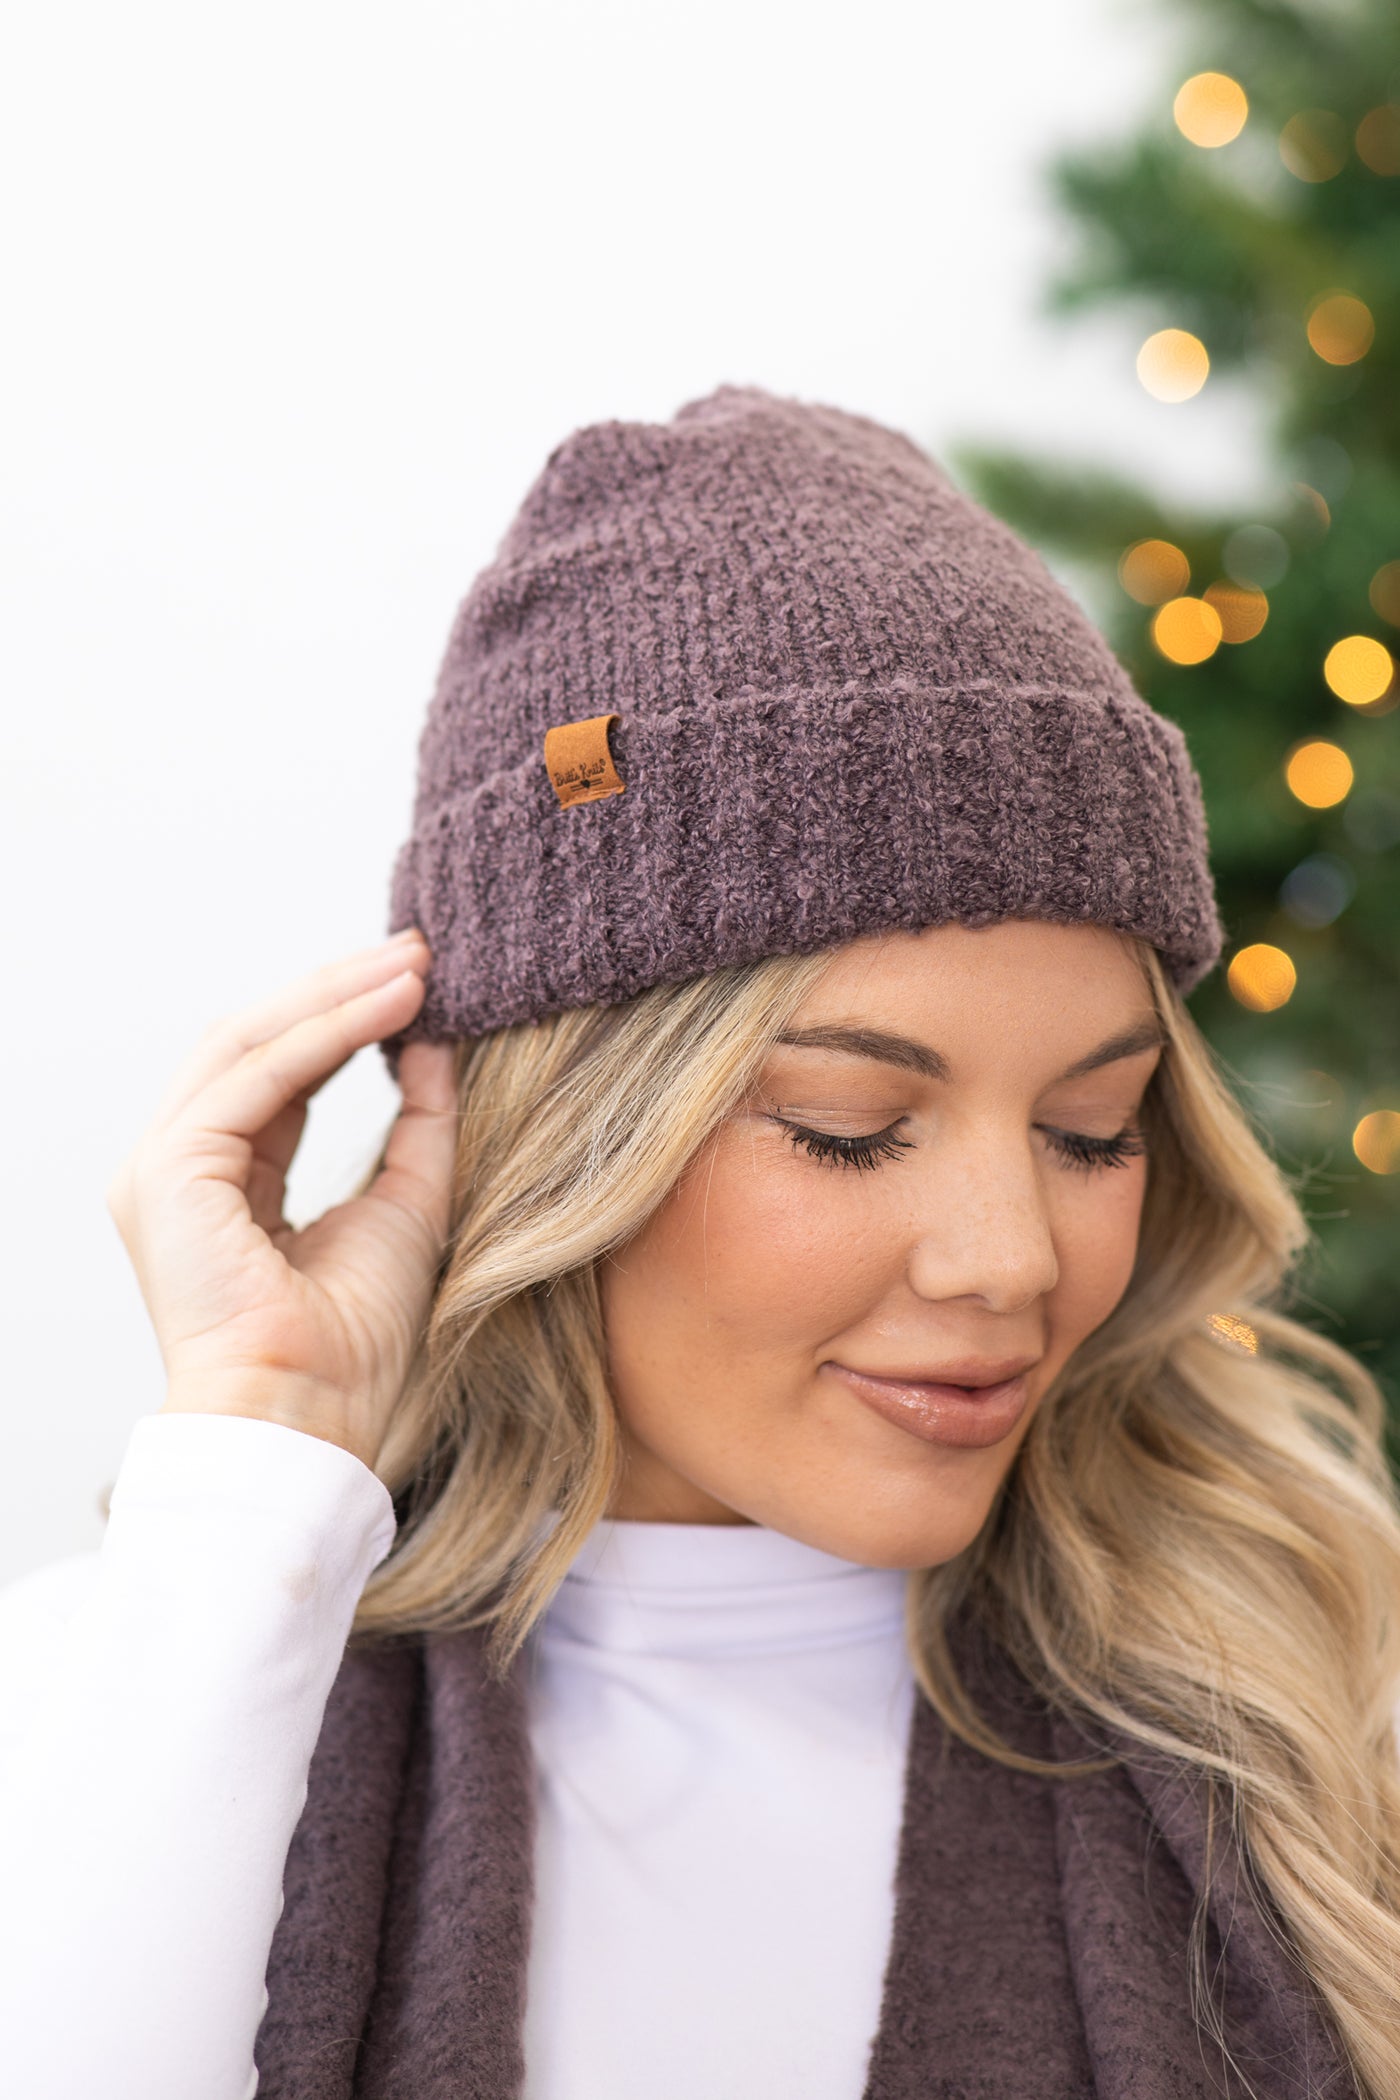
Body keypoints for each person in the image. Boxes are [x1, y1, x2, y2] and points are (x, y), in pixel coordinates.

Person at [1, 385, 1397, 2100]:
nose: (1011, 1262)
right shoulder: (130, 1685)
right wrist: (261, 1455)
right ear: (569, 1136)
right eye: (849, 1126)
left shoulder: (1335, 1718)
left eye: (1091, 1129)